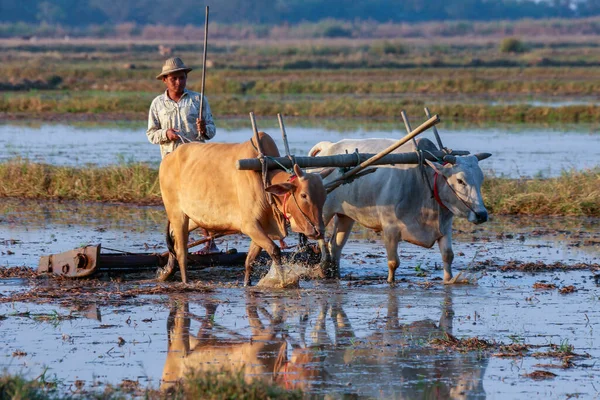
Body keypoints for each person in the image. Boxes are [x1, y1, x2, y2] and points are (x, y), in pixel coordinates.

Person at [148, 56, 219, 253]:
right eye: (174, 79)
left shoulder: (198, 99)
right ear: (165, 80)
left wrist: (204, 129)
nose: (178, 82)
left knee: (201, 202)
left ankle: (210, 243)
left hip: (197, 163)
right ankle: (178, 246)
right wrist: (166, 134)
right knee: (175, 205)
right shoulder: (157, 104)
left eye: (182, 78)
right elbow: (151, 134)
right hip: (171, 164)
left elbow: (211, 131)